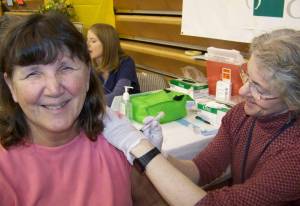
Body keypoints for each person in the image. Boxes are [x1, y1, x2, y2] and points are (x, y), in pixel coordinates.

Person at [103, 29, 300, 206]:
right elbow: (201, 169)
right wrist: (161, 155)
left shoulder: (294, 153)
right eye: (247, 76)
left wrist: (142, 149)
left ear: (293, 100)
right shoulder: (241, 115)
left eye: (261, 89)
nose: (242, 90)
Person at [0, 12, 138, 205]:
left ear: (88, 74)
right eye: (33, 73)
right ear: (11, 86)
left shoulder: (117, 143)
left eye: (65, 68)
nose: (54, 89)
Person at [87, 23, 140, 106]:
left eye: (93, 41)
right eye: (87, 40)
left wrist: (86, 104)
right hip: (102, 113)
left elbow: (117, 97)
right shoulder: (90, 65)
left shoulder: (126, 63)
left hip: (128, 114)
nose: (87, 45)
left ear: (107, 44)